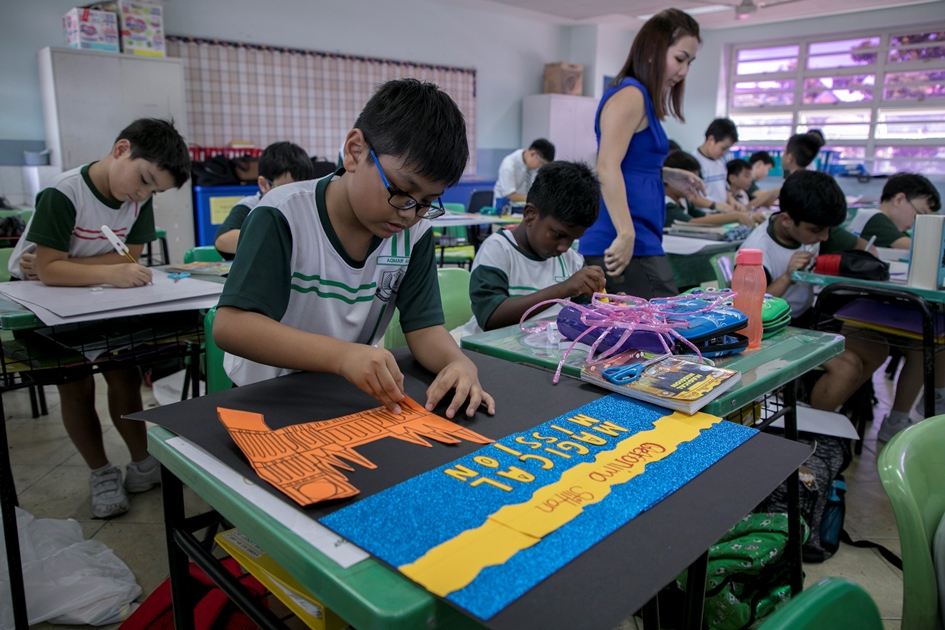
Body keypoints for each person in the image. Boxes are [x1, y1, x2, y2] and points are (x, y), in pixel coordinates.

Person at [213, 78, 495, 420]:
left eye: (426, 202)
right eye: (401, 191)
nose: (409, 214)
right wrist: (343, 355)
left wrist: (458, 362)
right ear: (355, 151)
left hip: (345, 396)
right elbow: (232, 326)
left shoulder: (415, 234)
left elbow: (424, 328)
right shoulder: (284, 213)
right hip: (266, 398)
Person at [7, 118, 190, 518]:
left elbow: (129, 256)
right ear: (121, 149)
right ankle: (101, 471)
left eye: (153, 191)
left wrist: (70, 266)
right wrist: (101, 271)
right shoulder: (65, 192)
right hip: (45, 306)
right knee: (75, 387)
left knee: (124, 374)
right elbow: (51, 271)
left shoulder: (138, 199)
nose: (142, 194)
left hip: (96, 300)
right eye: (143, 180)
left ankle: (143, 462)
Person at [578, 8, 705, 299]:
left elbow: (630, 161)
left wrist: (666, 173)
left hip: (639, 238)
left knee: (656, 324)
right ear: (653, 51)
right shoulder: (631, 95)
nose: (684, 71)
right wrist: (626, 233)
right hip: (622, 240)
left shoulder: (641, 97)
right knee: (663, 324)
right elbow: (607, 165)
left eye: (689, 63)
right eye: (680, 59)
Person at [739, 170, 887, 413]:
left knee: (877, 348)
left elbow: (866, 250)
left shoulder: (813, 223)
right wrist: (787, 277)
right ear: (786, 220)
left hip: (806, 318)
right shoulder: (757, 251)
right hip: (772, 331)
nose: (825, 237)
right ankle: (812, 422)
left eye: (828, 229)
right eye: (817, 230)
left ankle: (822, 401)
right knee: (847, 366)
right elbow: (748, 311)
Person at [457, 161, 605, 337]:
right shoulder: (498, 249)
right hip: (485, 348)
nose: (564, 247)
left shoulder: (572, 260)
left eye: (573, 239)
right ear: (530, 215)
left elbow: (584, 314)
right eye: (558, 235)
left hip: (538, 349)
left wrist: (609, 308)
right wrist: (563, 289)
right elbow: (490, 318)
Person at [850, 172, 943, 440]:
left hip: (871, 305)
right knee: (927, 339)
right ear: (900, 199)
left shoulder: (878, 220)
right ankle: (909, 414)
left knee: (936, 333)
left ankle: (933, 400)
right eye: (920, 214)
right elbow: (920, 247)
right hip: (857, 310)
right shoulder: (875, 218)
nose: (916, 225)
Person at [214, 141, 315, 259]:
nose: (294, 197)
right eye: (286, 190)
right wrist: (275, 239)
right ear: (264, 184)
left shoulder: (306, 207)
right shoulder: (250, 206)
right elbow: (222, 240)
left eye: (301, 190)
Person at [662, 151, 759, 228]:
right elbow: (692, 222)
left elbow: (706, 217)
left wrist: (745, 215)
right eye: (690, 180)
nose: (694, 185)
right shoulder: (664, 204)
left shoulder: (683, 201)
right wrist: (736, 216)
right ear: (670, 179)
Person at [691, 118, 746, 212]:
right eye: (723, 148)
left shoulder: (720, 162)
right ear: (711, 139)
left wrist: (732, 201)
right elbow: (691, 197)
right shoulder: (694, 162)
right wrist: (715, 205)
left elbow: (722, 189)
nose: (725, 153)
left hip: (721, 213)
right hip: (705, 215)